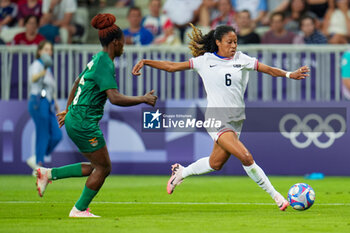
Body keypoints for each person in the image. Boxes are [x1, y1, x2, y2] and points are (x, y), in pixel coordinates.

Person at [132, 24, 309, 211]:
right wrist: (146, 61)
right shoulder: (204, 60)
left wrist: (290, 74)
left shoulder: (242, 59)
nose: (234, 46)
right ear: (218, 42)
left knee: (215, 163)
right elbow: (171, 66)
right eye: (229, 42)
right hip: (216, 118)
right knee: (246, 157)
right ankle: (277, 197)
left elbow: (269, 70)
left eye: (235, 42)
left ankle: (181, 172)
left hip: (236, 119)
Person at [35, 13, 157, 218]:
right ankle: (79, 209)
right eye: (123, 44)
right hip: (83, 122)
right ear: (116, 42)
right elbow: (115, 98)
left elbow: (76, 82)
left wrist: (68, 109)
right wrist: (143, 99)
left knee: (97, 166)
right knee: (103, 168)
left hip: (77, 116)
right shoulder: (105, 63)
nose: (124, 47)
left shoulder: (98, 58)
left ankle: (47, 174)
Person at [26, 40, 62, 172]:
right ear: (39, 51)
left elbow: (51, 89)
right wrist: (44, 70)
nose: (49, 52)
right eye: (46, 50)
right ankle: (38, 165)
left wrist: (56, 105)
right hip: (38, 100)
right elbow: (33, 79)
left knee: (57, 135)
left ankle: (36, 158)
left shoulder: (48, 67)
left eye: (50, 50)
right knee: (43, 133)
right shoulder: (37, 64)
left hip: (48, 102)